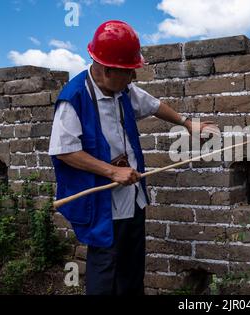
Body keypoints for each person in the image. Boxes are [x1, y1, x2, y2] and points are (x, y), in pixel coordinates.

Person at [48, 20, 215, 295]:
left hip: (133, 197)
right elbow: (64, 150)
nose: (133, 79)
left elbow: (154, 105)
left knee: (132, 270)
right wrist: (112, 172)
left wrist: (186, 123)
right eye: (128, 72)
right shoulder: (74, 98)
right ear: (105, 69)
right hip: (103, 204)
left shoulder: (123, 89)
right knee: (105, 272)